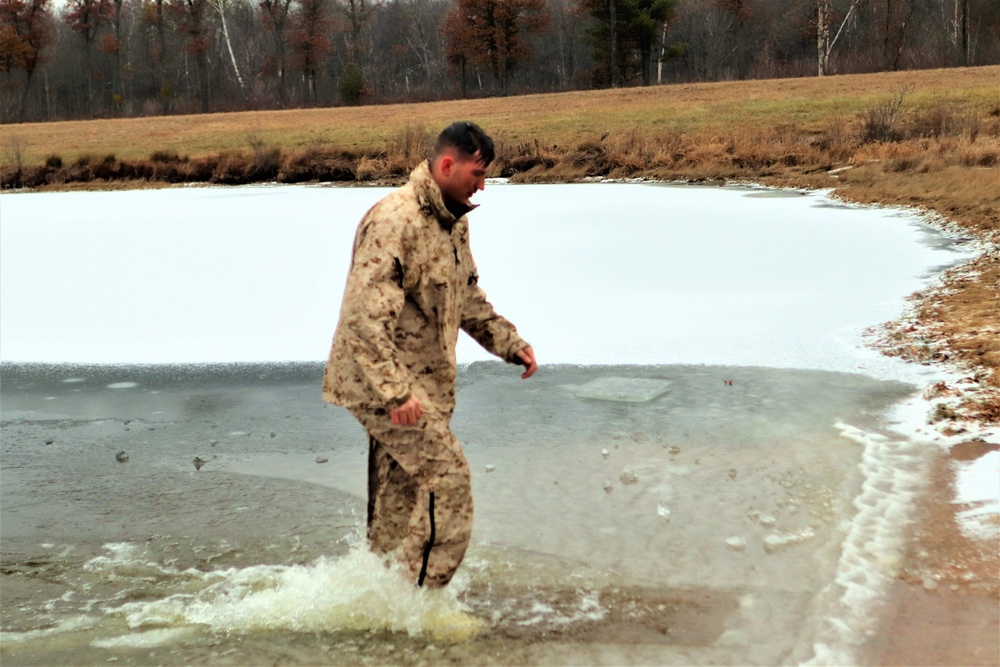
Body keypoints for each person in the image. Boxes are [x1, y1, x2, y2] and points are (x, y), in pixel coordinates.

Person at [323, 121, 538, 588]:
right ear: (447, 164)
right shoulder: (394, 222)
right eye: (477, 174)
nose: (482, 185)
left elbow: (467, 297)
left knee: (398, 499)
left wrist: (509, 342)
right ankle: (423, 601)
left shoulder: (451, 221)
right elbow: (364, 319)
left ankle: (379, 597)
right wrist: (396, 394)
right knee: (448, 480)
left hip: (419, 385)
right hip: (381, 385)